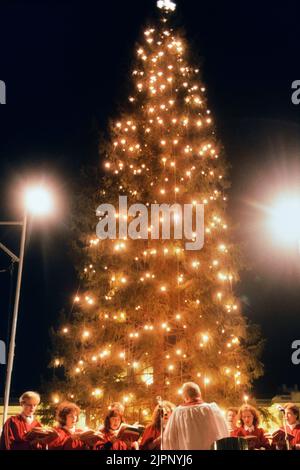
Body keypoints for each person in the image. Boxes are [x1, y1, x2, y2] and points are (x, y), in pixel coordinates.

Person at [162, 382, 229, 450]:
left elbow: (169, 439)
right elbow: (224, 432)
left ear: (185, 397)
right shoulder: (212, 409)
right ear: (199, 394)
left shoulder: (178, 413)